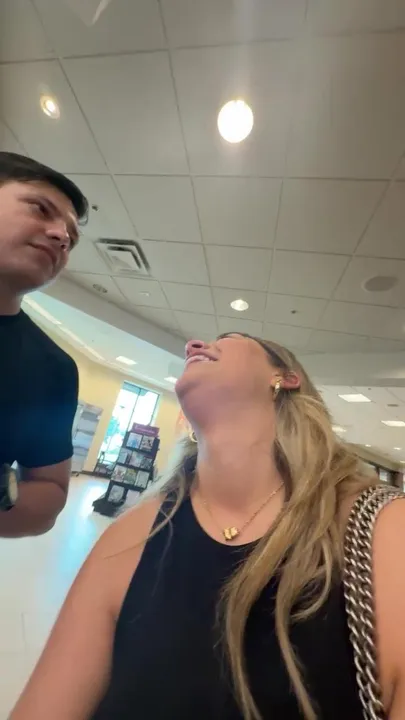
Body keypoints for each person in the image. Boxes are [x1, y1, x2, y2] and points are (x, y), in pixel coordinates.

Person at [11, 334, 405, 719]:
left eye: (228, 339)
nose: (193, 346)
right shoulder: (135, 533)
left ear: (285, 378)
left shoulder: (384, 531)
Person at [0, 152, 88, 537]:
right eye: (40, 208)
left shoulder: (53, 368)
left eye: (72, 237)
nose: (62, 236)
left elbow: (50, 490)